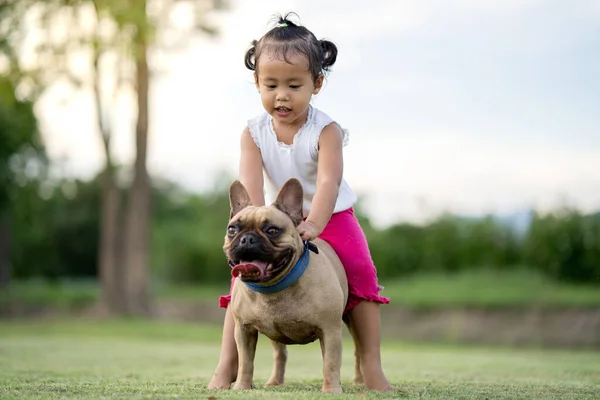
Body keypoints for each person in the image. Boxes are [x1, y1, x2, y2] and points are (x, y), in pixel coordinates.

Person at [208, 12, 392, 391]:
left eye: (294, 85)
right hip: (275, 218)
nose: (282, 95)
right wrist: (259, 227)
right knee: (240, 282)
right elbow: (251, 187)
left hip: (332, 214)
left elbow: (328, 180)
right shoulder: (253, 132)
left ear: (317, 84)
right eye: (271, 85)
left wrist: (315, 224)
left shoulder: (325, 130)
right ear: (257, 84)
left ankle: (370, 365)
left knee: (361, 273)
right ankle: (227, 366)